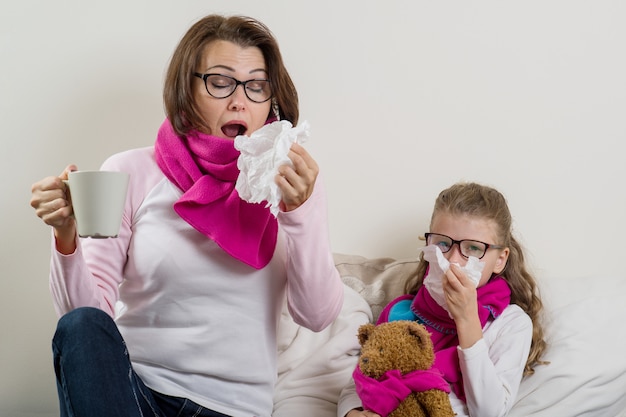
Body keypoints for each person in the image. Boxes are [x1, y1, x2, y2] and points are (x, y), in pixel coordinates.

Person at [30, 14, 344, 417]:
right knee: (81, 328)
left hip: (232, 409)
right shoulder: (130, 172)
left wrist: (298, 213)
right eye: (220, 81)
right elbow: (86, 316)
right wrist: (66, 235)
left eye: (257, 85)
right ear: (186, 89)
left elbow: (316, 316)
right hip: (133, 392)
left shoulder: (292, 183)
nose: (239, 100)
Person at [338, 182, 547, 417]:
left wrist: (467, 320)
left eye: (474, 248)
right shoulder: (400, 312)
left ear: (500, 259)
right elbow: (359, 383)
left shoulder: (510, 323)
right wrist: (352, 413)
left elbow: (489, 412)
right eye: (443, 244)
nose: (454, 260)